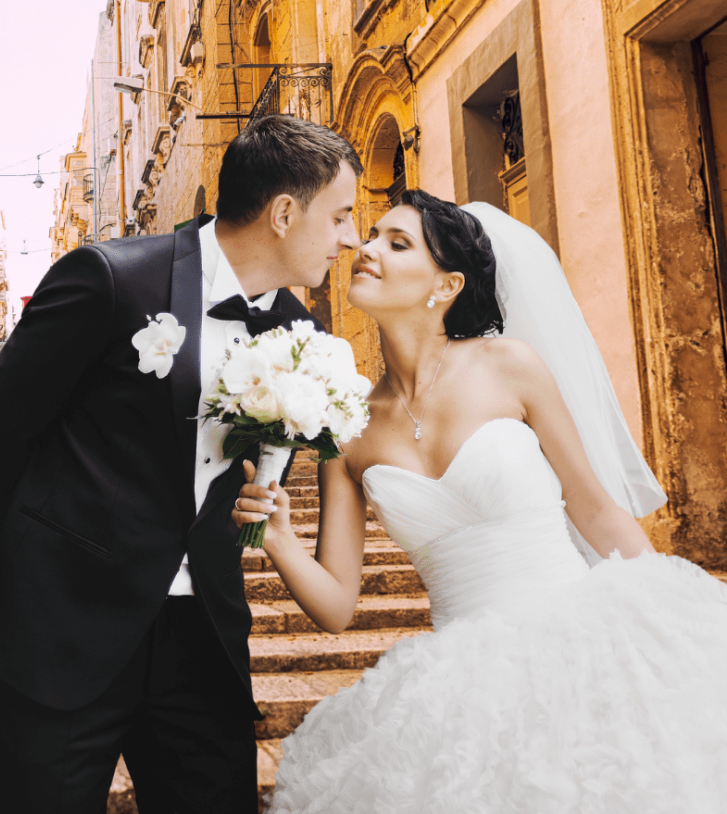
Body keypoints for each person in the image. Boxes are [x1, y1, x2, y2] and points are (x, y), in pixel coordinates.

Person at [235, 190, 727, 812]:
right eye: (372, 234)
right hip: (461, 689)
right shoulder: (349, 427)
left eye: (397, 243)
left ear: (446, 286)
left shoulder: (509, 365)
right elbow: (336, 606)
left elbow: (594, 508)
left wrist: (664, 620)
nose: (366, 248)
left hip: (585, 643)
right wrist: (279, 539)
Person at [0, 115, 363, 813]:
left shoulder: (304, 336)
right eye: (341, 216)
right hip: (65, 629)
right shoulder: (112, 279)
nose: (350, 238)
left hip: (205, 642)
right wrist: (32, 587)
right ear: (285, 214)